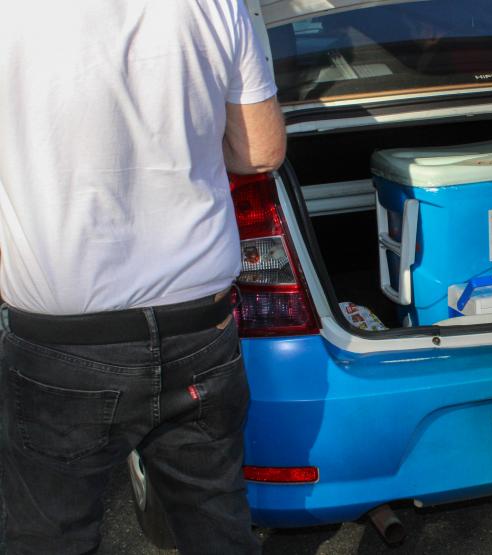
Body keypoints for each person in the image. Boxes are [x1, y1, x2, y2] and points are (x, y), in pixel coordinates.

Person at [0, 1, 286, 553]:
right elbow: (261, 150)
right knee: (216, 523)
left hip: (62, 331)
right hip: (199, 321)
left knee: (50, 535)